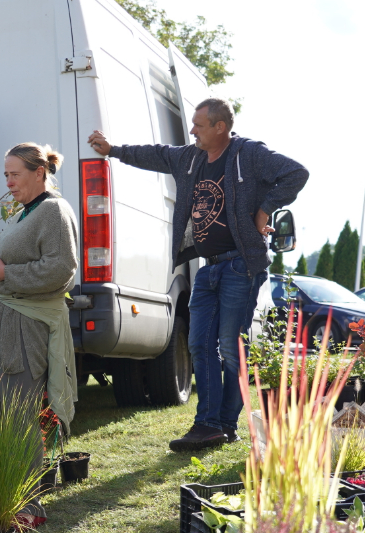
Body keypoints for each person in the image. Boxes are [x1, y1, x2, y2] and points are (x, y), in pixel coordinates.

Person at [88, 97, 308, 452]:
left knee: (229, 347)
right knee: (199, 345)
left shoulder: (248, 154)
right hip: (208, 268)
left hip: (241, 265)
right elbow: (156, 154)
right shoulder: (190, 158)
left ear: (220, 127)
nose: (192, 131)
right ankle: (207, 424)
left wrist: (265, 209)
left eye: (199, 125)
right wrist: (114, 150)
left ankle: (224, 423)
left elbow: (296, 173)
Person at [0, 143, 79, 496]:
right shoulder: (25, 214)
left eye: (15, 175)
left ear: (39, 172)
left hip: (25, 329)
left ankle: (28, 501)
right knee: (8, 412)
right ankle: (15, 494)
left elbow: (62, 269)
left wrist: (5, 274)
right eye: (6, 176)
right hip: (6, 324)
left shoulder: (54, 211)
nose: (9, 183)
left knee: (20, 414)